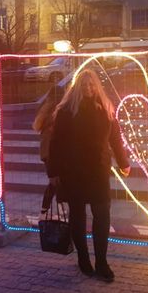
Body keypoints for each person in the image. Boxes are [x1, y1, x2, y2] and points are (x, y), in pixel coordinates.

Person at [48, 69, 131, 282]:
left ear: (97, 86)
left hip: (98, 170)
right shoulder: (66, 111)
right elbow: (55, 143)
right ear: (77, 87)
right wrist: (53, 171)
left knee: (102, 215)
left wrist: (123, 162)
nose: (88, 88)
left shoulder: (105, 108)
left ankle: (102, 262)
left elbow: (115, 138)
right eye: (84, 85)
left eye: (92, 84)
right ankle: (83, 259)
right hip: (73, 171)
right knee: (77, 215)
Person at [32, 85, 65, 214]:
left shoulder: (45, 110)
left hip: (47, 153)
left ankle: (46, 208)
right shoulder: (59, 111)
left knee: (54, 181)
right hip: (55, 153)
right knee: (57, 181)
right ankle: (58, 207)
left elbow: (38, 127)